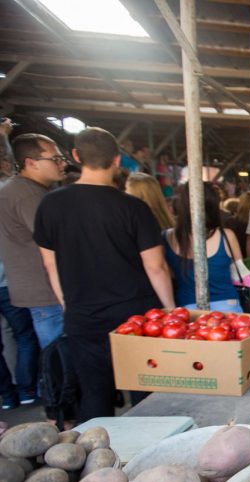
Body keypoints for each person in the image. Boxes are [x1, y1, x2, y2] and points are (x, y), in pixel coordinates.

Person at [33, 126, 174, 422]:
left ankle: (96, 459)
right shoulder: (134, 208)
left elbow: (49, 264)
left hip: (84, 313)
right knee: (145, 392)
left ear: (75, 156)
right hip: (137, 316)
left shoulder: (51, 204)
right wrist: (170, 311)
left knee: (94, 395)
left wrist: (67, 304)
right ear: (117, 160)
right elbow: (155, 266)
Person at [0, 133, 67, 349]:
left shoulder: (22, 189)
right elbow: (54, 242)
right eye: (54, 159)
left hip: (36, 289)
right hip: (47, 292)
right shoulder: (28, 195)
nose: (62, 163)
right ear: (31, 163)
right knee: (57, 358)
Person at [164, 182, 244, 312]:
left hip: (187, 310)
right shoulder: (227, 236)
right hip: (228, 307)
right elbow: (239, 272)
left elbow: (169, 274)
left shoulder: (167, 237)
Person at [0, 260, 39, 409]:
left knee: (21, 337)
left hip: (8, 285)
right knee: (24, 337)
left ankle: (8, 396)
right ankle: (26, 390)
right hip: (7, 285)